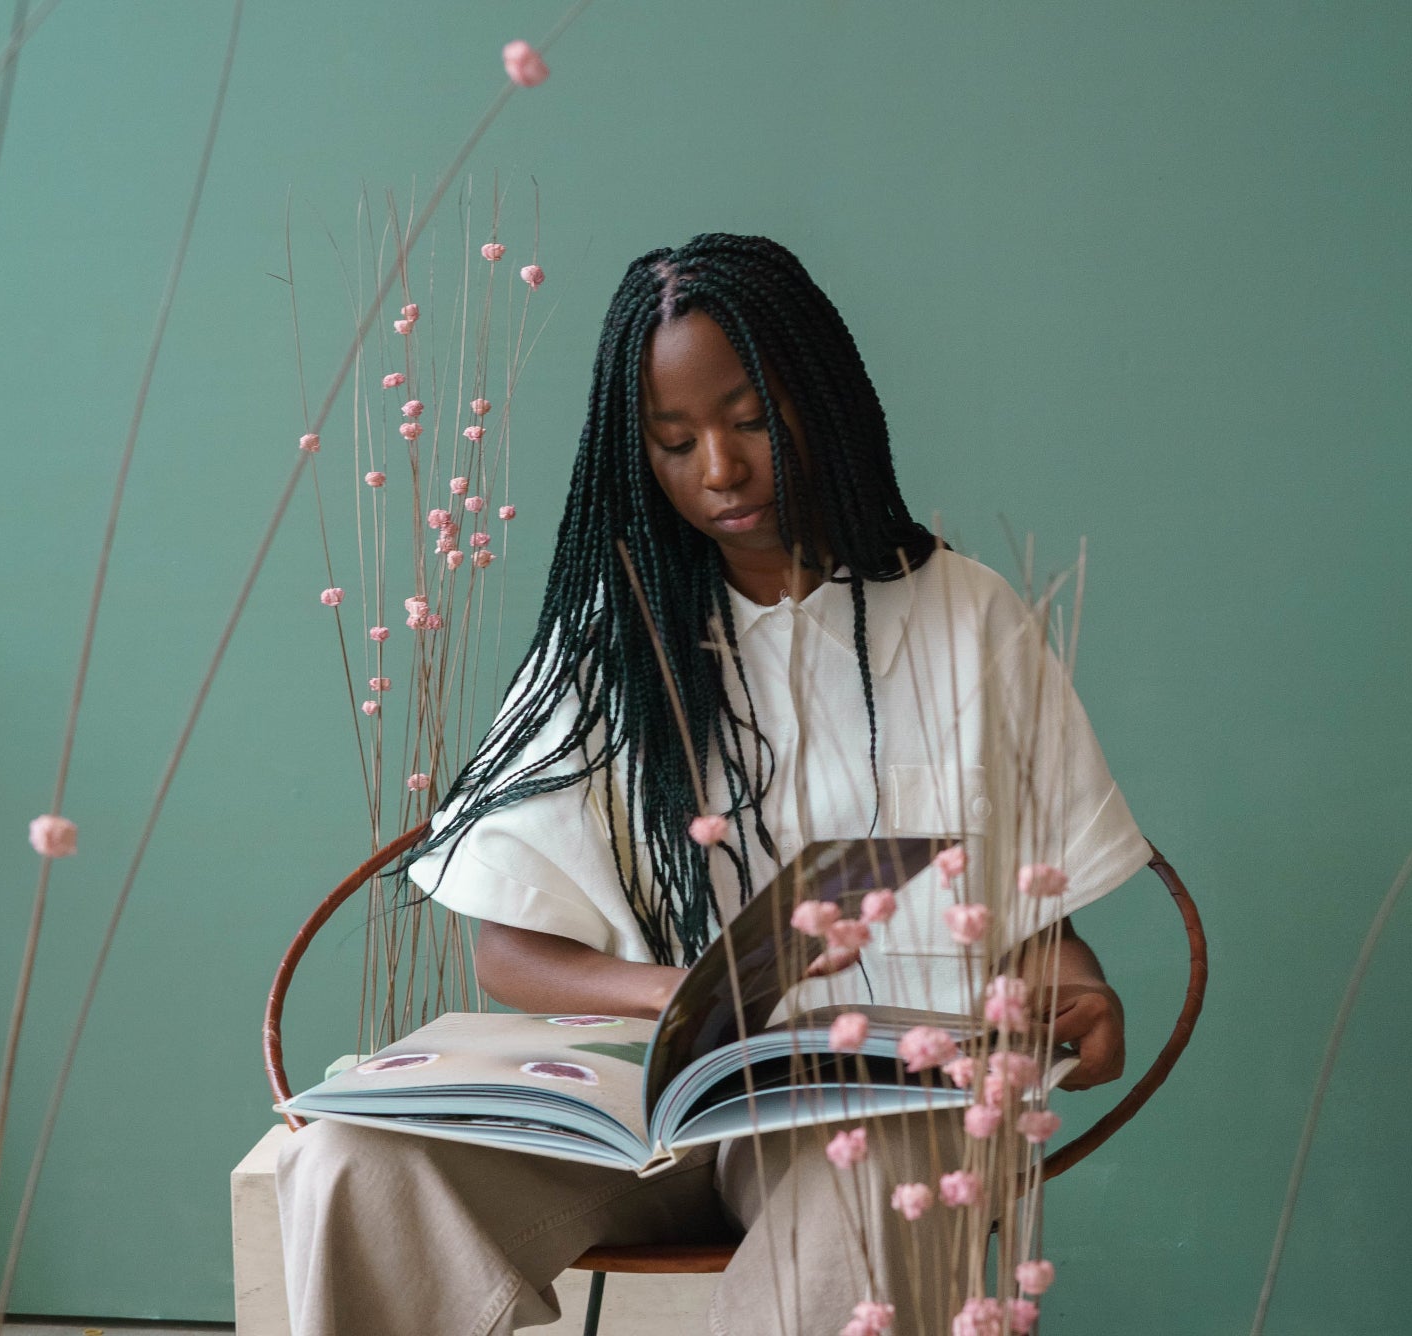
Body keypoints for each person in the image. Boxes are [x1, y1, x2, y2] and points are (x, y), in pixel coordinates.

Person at [275, 234, 1152, 1336]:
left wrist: (1079, 996)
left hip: (868, 1113)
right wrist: (694, 1003)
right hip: (642, 1104)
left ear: (823, 403)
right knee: (357, 1161)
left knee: (892, 1152)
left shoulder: (968, 620)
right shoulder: (611, 643)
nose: (719, 471)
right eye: (674, 440)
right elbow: (507, 950)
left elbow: (1031, 928)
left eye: (749, 423)